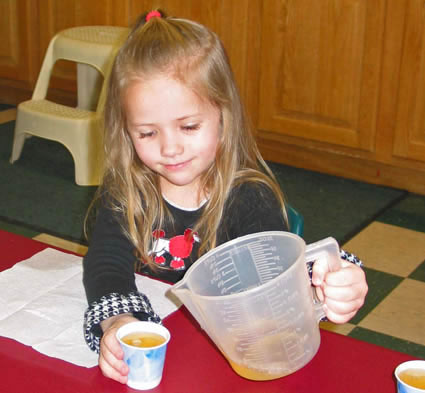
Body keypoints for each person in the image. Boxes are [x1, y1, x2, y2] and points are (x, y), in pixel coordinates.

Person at [82, 9, 368, 384]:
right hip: (167, 360)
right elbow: (105, 265)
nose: (170, 148)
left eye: (188, 126)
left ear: (223, 116)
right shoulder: (125, 195)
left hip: (234, 362)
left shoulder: (249, 197)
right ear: (125, 130)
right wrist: (118, 322)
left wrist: (333, 282)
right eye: (147, 133)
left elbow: (280, 281)